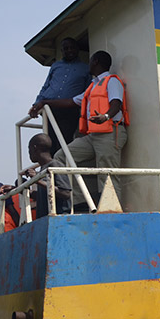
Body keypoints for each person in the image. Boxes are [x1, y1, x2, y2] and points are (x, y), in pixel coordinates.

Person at [34, 50, 129, 207]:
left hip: (110, 133)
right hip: (93, 136)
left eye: (90, 61)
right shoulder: (92, 86)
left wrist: (105, 116)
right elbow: (72, 102)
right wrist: (45, 102)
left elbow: (116, 103)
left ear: (96, 62)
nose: (88, 64)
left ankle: (111, 209)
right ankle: (79, 202)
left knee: (107, 173)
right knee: (62, 157)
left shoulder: (112, 81)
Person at [28, 38, 91, 156]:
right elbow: (46, 86)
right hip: (49, 109)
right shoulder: (56, 66)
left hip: (69, 110)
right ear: (62, 50)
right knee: (49, 142)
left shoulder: (86, 68)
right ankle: (52, 170)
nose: (69, 50)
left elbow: (88, 92)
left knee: (64, 142)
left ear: (77, 49)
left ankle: (63, 171)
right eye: (66, 48)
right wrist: (37, 103)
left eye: (71, 48)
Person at [25, 133, 72, 218]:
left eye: (29, 149)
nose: (29, 153)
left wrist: (37, 180)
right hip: (45, 219)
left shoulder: (55, 165)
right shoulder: (43, 169)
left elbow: (65, 193)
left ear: (34, 148)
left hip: (59, 218)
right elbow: (47, 193)